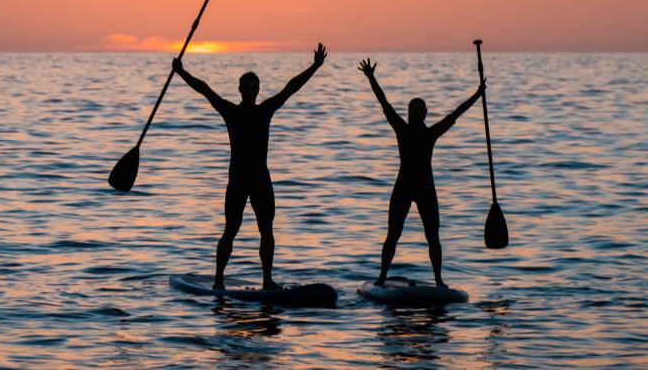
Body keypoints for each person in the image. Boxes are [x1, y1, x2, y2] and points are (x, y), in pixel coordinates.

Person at [172, 44, 327, 290]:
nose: (250, 92)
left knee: (267, 230)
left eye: (254, 89)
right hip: (238, 180)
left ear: (257, 90)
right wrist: (181, 73)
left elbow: (291, 88)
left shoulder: (265, 110)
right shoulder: (230, 111)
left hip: (260, 180)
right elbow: (205, 90)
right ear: (240, 90)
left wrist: (315, 67)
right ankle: (218, 280)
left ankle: (267, 280)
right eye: (246, 88)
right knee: (231, 229)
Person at [359, 58, 485, 287]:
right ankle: (381, 276)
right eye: (414, 110)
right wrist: (371, 78)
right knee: (393, 234)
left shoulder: (432, 133)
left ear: (426, 113)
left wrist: (478, 94)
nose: (418, 114)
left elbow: (457, 113)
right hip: (403, 187)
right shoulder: (401, 129)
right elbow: (384, 104)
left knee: (433, 237)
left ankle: (438, 280)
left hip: (426, 189)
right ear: (409, 113)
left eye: (421, 110)